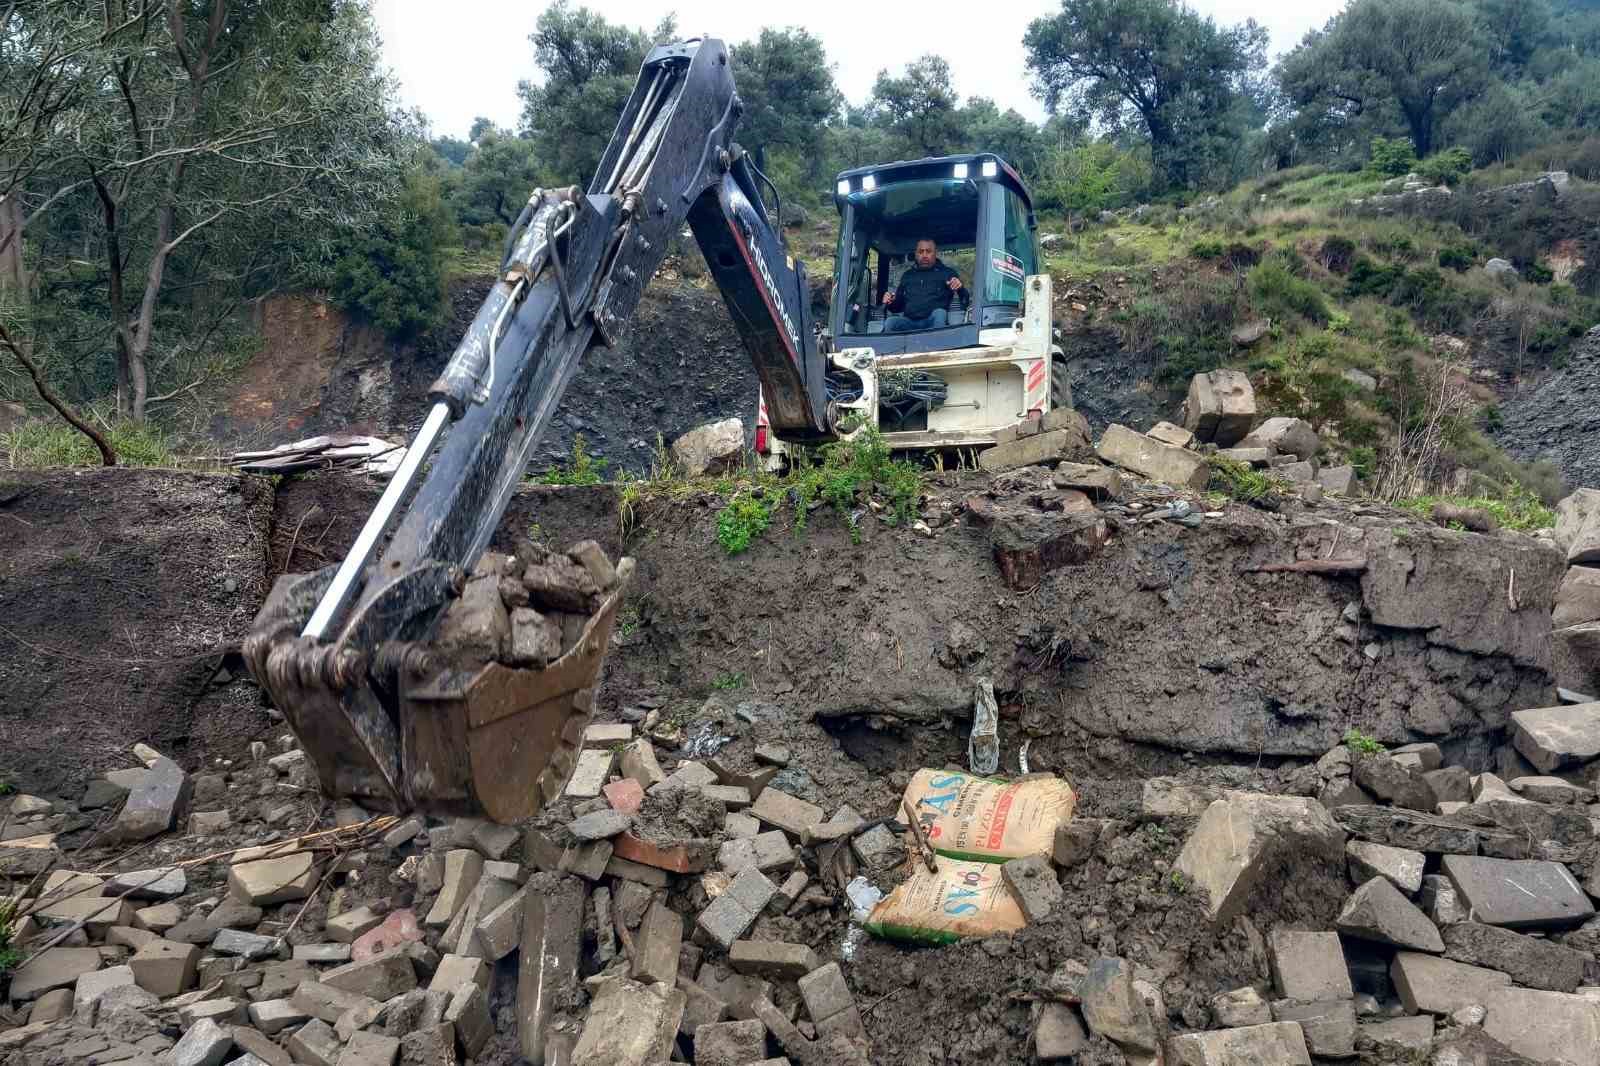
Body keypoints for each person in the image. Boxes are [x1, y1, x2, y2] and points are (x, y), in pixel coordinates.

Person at [883, 238, 966, 332]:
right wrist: (890, 301)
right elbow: (897, 307)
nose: (924, 255)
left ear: (935, 253)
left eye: (928, 251)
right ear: (916, 254)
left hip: (933, 322)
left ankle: (938, 345)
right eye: (921, 252)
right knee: (891, 322)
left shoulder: (947, 273)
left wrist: (960, 288)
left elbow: (964, 300)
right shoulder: (907, 276)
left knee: (940, 313)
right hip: (909, 322)